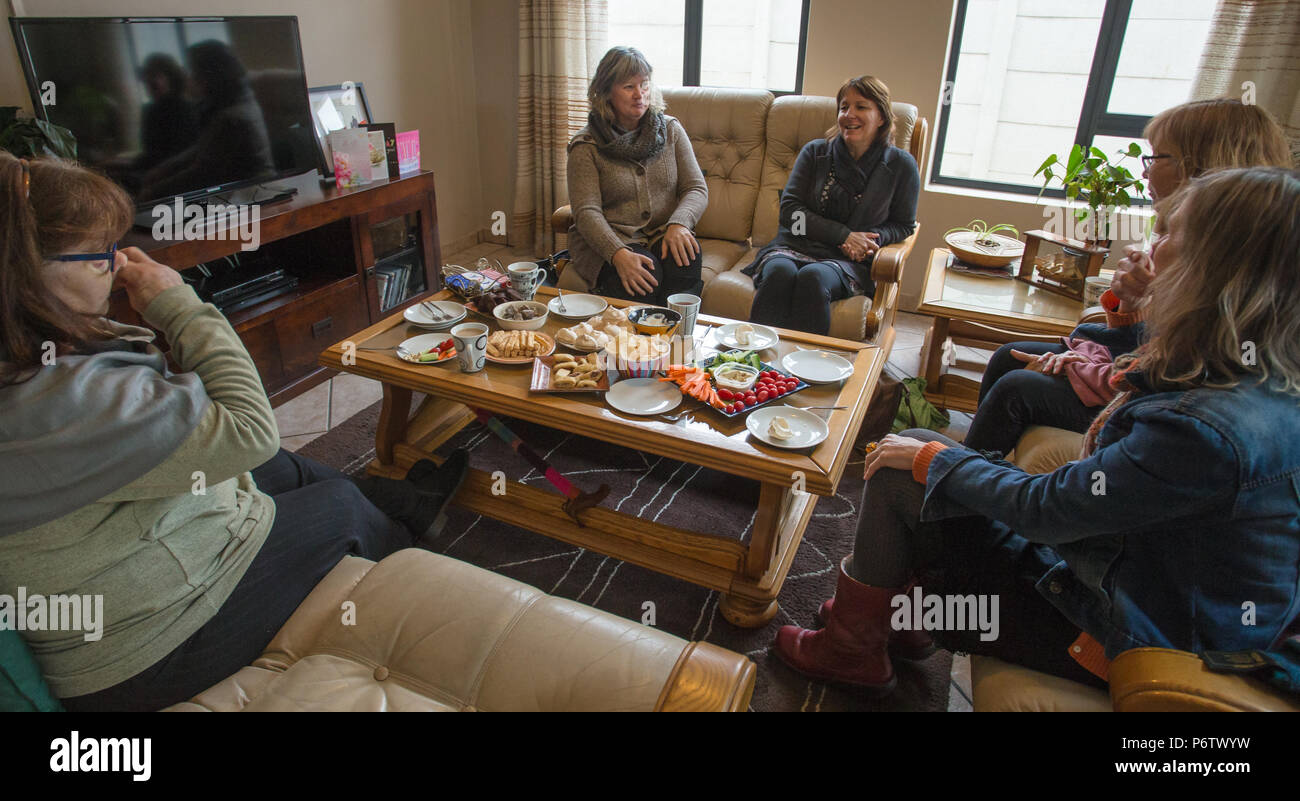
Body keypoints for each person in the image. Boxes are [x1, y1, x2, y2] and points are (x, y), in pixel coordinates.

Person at [772, 166, 1300, 693]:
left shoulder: (1202, 431)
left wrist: (940, 459)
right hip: (1129, 596)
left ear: (1213, 270)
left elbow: (1047, 512)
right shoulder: (1255, 378)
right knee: (926, 464)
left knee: (903, 468)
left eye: (1166, 236)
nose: (1149, 248)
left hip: (1118, 641)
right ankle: (901, 622)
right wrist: (1133, 316)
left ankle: (854, 646)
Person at [0, 153, 468, 711]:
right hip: (150, 649)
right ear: (27, 277)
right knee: (336, 500)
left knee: (278, 470)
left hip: (124, 567)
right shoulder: (61, 402)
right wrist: (179, 303)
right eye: (99, 255)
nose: (119, 261)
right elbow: (250, 428)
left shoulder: (28, 358)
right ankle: (405, 556)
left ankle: (405, 501)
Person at [964, 99, 1293, 456]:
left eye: (1156, 158)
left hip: (1149, 391)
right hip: (1138, 370)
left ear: (1198, 164)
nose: (1145, 173)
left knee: (1017, 388)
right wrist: (1131, 308)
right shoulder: (1200, 237)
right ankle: (970, 466)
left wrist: (1090, 370)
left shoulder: (1236, 269)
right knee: (1008, 357)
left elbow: (1176, 373)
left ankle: (963, 484)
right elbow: (1148, 347)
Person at [742, 75, 919, 335]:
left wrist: (870, 241)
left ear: (881, 117)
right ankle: (754, 361)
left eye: (861, 106)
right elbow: (792, 215)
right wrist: (844, 235)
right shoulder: (815, 153)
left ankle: (807, 367)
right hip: (794, 244)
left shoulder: (901, 165)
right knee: (779, 273)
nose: (849, 114)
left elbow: (903, 225)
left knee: (813, 277)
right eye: (844, 107)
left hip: (847, 261)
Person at [566, 46, 708, 305]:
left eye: (644, 85)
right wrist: (617, 253)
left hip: (663, 232)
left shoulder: (671, 130)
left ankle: (678, 340)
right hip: (613, 239)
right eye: (628, 87)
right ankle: (636, 344)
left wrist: (679, 223)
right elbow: (586, 212)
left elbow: (696, 188)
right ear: (606, 91)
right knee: (644, 276)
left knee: (687, 257)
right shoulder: (586, 145)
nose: (639, 95)